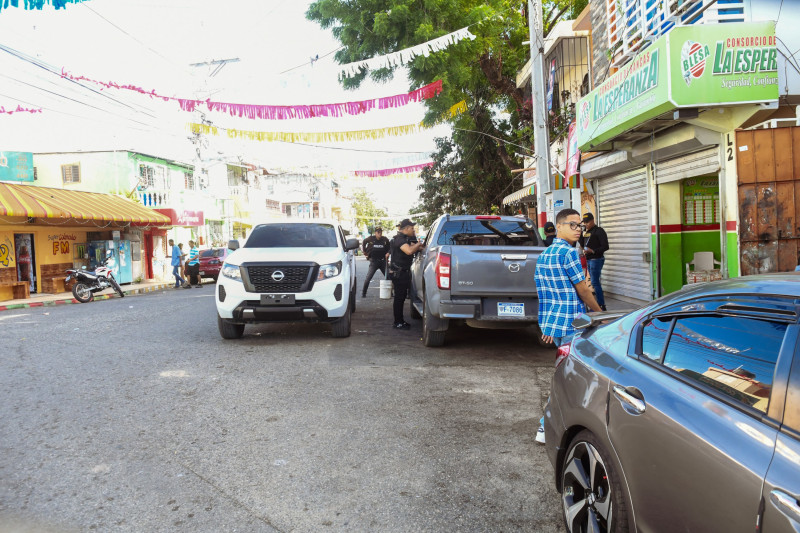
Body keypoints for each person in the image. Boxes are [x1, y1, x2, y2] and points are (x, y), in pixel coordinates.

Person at [534, 208, 602, 444]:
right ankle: (546, 425)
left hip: (557, 325)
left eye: (580, 226)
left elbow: (545, 295)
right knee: (570, 379)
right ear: (559, 226)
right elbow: (582, 290)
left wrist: (549, 327)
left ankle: (549, 425)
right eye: (573, 225)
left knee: (566, 376)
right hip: (574, 325)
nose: (578, 230)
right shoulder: (569, 254)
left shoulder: (544, 255)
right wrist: (600, 313)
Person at [389, 219, 424, 330]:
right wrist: (418, 244)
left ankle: (399, 321)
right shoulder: (399, 239)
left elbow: (415, 247)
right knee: (399, 298)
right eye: (412, 228)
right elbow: (409, 251)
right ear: (406, 228)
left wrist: (420, 246)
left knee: (402, 297)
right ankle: (398, 322)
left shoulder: (405, 239)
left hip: (402, 272)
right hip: (399, 273)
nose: (413, 230)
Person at [580, 212, 610, 311]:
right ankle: (598, 304)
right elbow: (581, 243)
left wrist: (592, 251)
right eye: (585, 222)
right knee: (593, 282)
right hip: (589, 259)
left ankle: (601, 304)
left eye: (588, 222)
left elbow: (605, 246)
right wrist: (581, 232)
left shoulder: (599, 231)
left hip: (596, 259)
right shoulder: (586, 232)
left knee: (595, 282)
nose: (586, 224)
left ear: (593, 220)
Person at [361, 227, 390, 297]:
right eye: (378, 232)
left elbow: (390, 247)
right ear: (375, 233)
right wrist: (364, 251)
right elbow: (364, 242)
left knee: (389, 277)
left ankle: (391, 292)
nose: (380, 234)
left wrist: (388, 253)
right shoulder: (370, 238)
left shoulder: (384, 239)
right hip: (374, 261)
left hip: (383, 261)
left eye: (381, 232)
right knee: (368, 278)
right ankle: (364, 293)